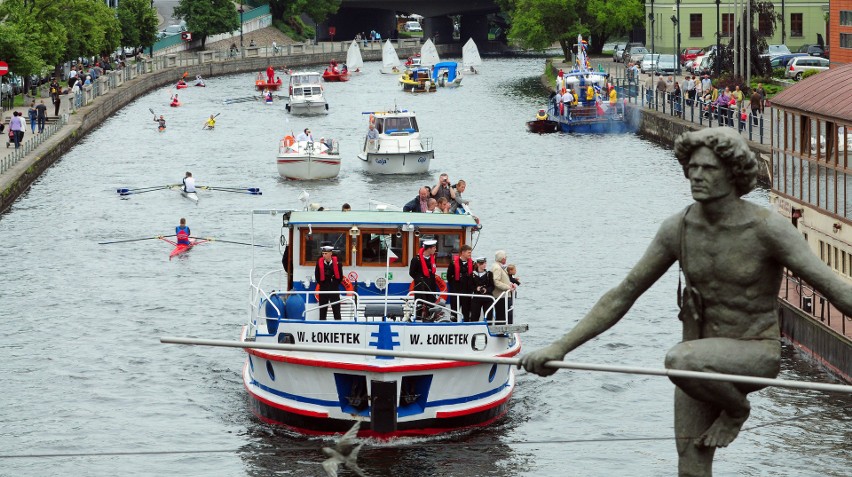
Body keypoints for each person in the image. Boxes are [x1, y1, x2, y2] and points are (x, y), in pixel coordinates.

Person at [520, 127, 852, 476]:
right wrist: (560, 347)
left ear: (733, 172)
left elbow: (833, 288)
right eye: (692, 167)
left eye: (708, 168)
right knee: (690, 463)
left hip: (752, 353)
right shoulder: (677, 228)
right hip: (697, 365)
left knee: (679, 358)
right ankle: (727, 409)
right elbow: (624, 293)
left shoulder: (768, 229)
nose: (696, 175)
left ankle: (737, 411)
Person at [409, 238, 440, 320]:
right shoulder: (416, 259)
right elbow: (412, 272)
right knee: (419, 304)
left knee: (431, 304)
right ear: (429, 248)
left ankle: (431, 319)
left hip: (431, 286)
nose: (435, 249)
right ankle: (418, 320)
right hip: (420, 286)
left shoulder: (432, 259)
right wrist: (419, 279)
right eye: (434, 248)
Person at [315, 245, 344, 321]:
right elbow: (317, 277)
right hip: (323, 289)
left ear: (330, 253)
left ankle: (338, 326)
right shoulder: (319, 264)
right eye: (323, 253)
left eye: (325, 253)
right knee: (322, 311)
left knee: (336, 311)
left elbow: (340, 277)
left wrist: (334, 284)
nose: (324, 255)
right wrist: (323, 284)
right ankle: (322, 327)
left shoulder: (338, 264)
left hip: (334, 289)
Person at [446, 244, 474, 321]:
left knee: (467, 312)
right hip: (456, 291)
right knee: (454, 311)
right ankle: (453, 326)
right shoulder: (453, 263)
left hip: (467, 292)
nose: (470, 254)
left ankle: (466, 326)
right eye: (469, 252)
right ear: (463, 252)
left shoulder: (472, 264)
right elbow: (449, 276)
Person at [491, 250, 516, 324]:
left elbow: (502, 279)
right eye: (505, 257)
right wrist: (508, 287)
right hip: (500, 296)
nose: (506, 259)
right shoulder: (497, 268)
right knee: (502, 315)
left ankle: (502, 331)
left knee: (503, 315)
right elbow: (496, 281)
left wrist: (510, 283)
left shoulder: (498, 266)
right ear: (502, 258)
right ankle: (501, 332)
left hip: (502, 296)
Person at [470, 257, 493, 321]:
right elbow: (470, 286)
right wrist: (476, 288)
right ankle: (474, 328)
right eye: (482, 263)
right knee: (475, 315)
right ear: (478, 264)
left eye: (485, 263)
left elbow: (492, 286)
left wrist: (486, 290)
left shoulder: (489, 274)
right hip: (477, 297)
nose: (484, 265)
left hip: (487, 297)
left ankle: (488, 327)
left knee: (488, 316)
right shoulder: (472, 274)